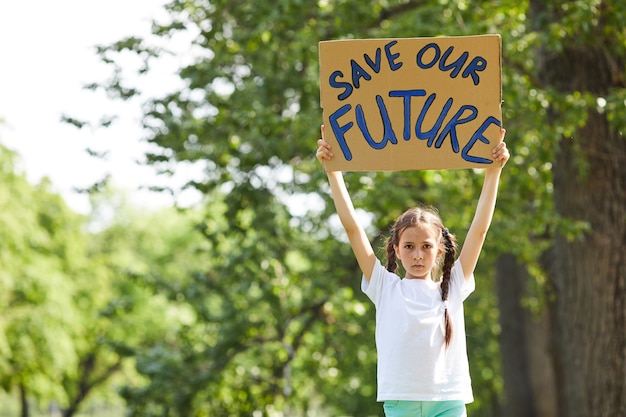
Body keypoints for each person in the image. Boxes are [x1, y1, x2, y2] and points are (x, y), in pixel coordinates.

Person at [315, 125, 510, 417]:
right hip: (401, 403)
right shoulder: (385, 286)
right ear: (395, 249)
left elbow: (480, 230)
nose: (418, 255)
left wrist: (493, 172)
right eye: (409, 247)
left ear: (439, 250)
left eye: (426, 246)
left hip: (449, 401)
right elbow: (353, 229)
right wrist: (333, 172)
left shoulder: (454, 284)